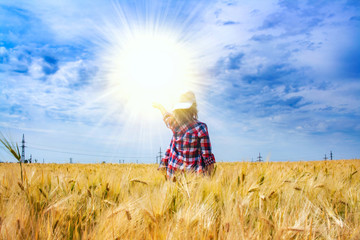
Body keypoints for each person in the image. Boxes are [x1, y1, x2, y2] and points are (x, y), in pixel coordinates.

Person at [153, 91, 215, 179]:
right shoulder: (200, 128)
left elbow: (166, 116)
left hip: (173, 175)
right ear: (193, 109)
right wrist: (211, 178)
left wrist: (160, 107)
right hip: (193, 177)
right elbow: (207, 156)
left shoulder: (174, 124)